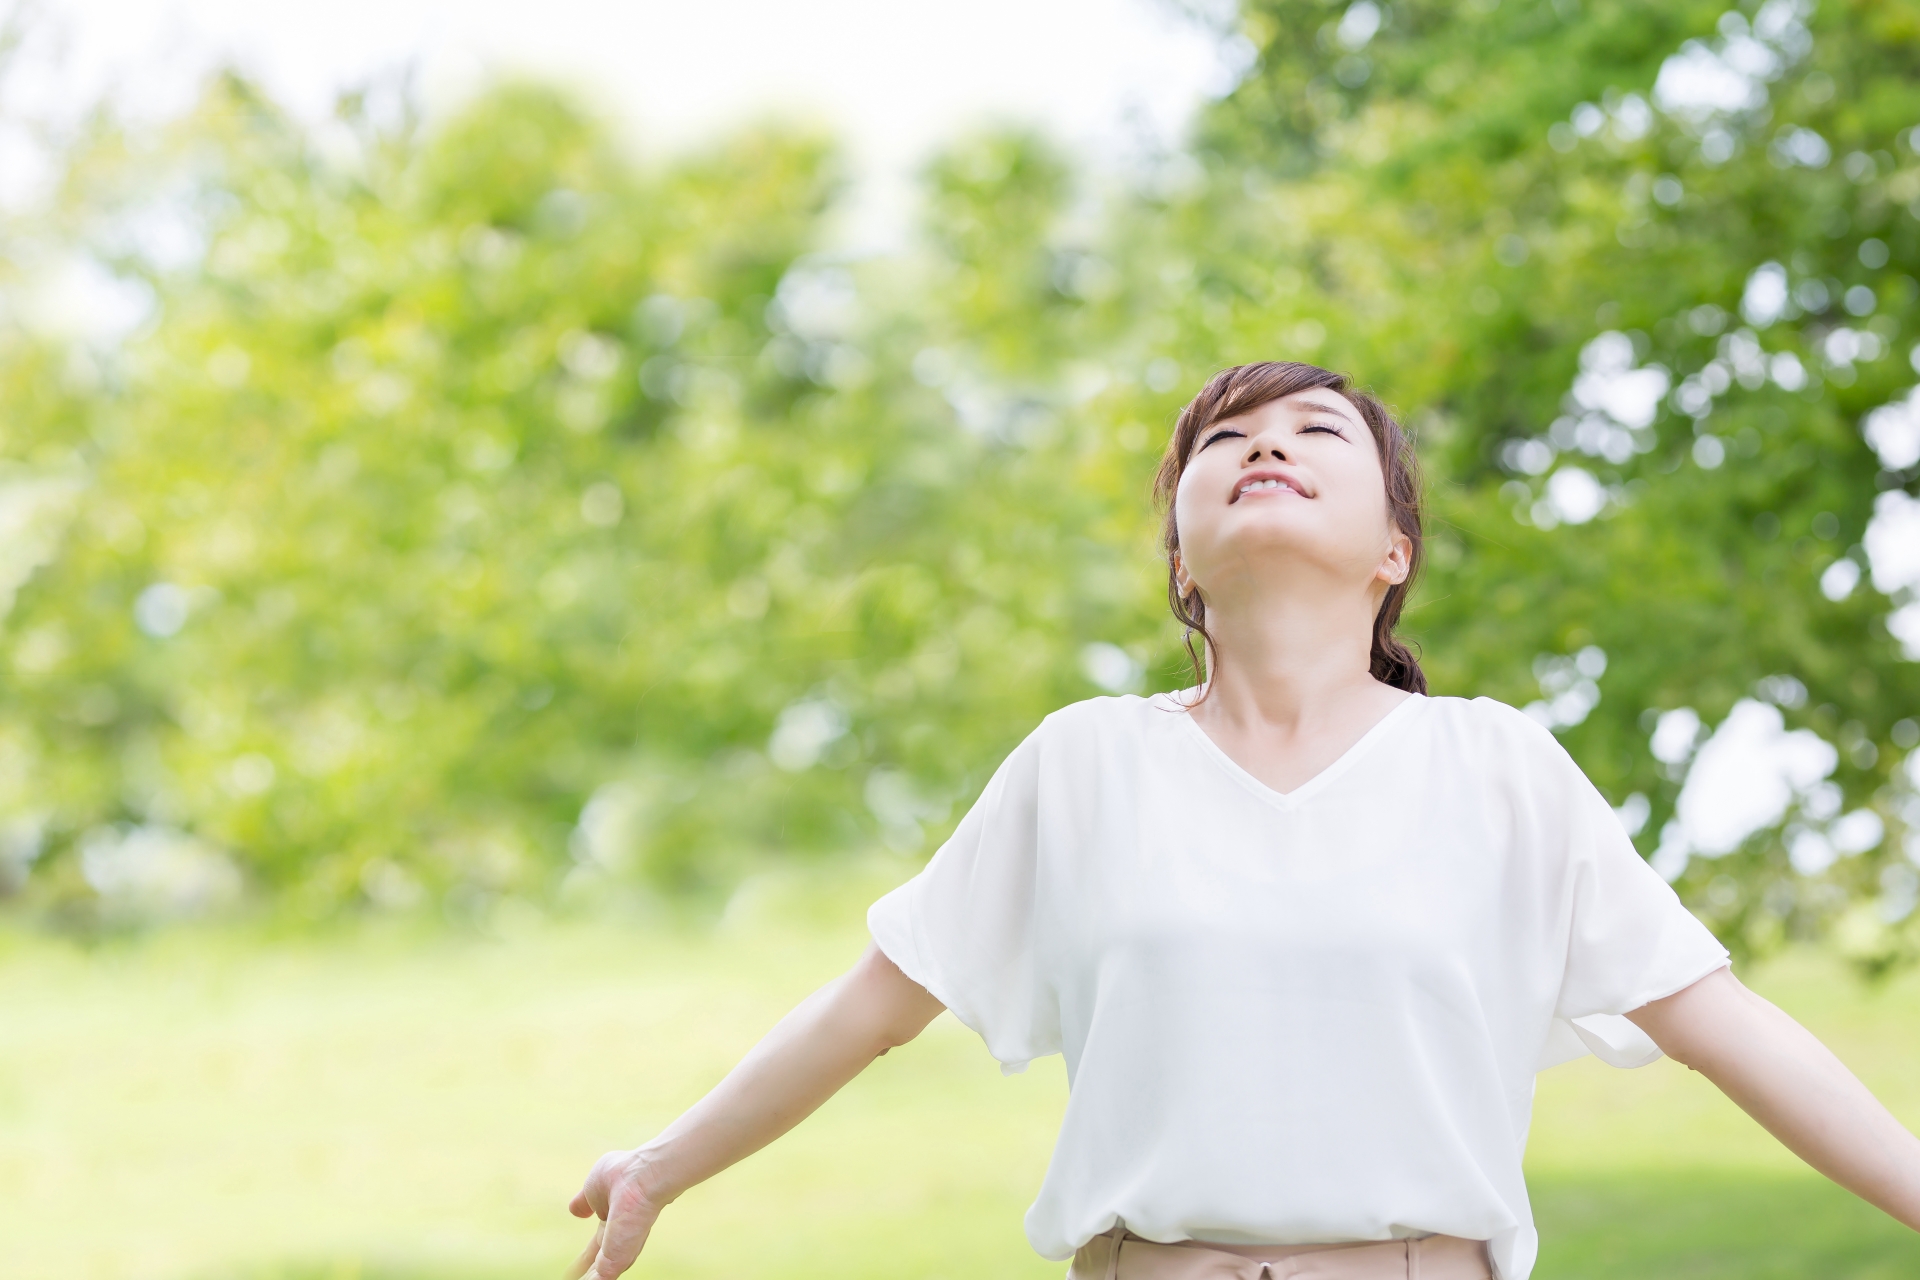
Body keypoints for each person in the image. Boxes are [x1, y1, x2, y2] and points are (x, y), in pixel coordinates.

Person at [565, 362, 1920, 1280]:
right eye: (1225, 442)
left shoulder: (1496, 765)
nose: (1266, 443)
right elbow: (872, 1003)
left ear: (1393, 551)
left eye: (1316, 432)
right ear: (1180, 559)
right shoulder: (1082, 763)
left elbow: (1724, 1024)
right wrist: (662, 1167)